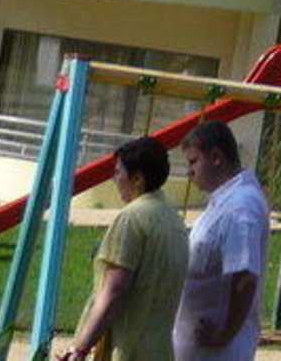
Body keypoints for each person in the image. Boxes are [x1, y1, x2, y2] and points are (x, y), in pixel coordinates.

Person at [62, 136, 189, 361]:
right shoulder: (174, 220)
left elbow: (115, 290)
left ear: (137, 178)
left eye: (118, 172)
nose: (114, 179)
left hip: (128, 350)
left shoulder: (131, 218)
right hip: (160, 351)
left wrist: (80, 349)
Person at [175, 121, 269, 361]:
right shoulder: (224, 201)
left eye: (193, 162)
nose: (189, 172)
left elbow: (245, 277)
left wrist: (224, 335)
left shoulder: (241, 207)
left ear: (216, 157)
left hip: (218, 352)